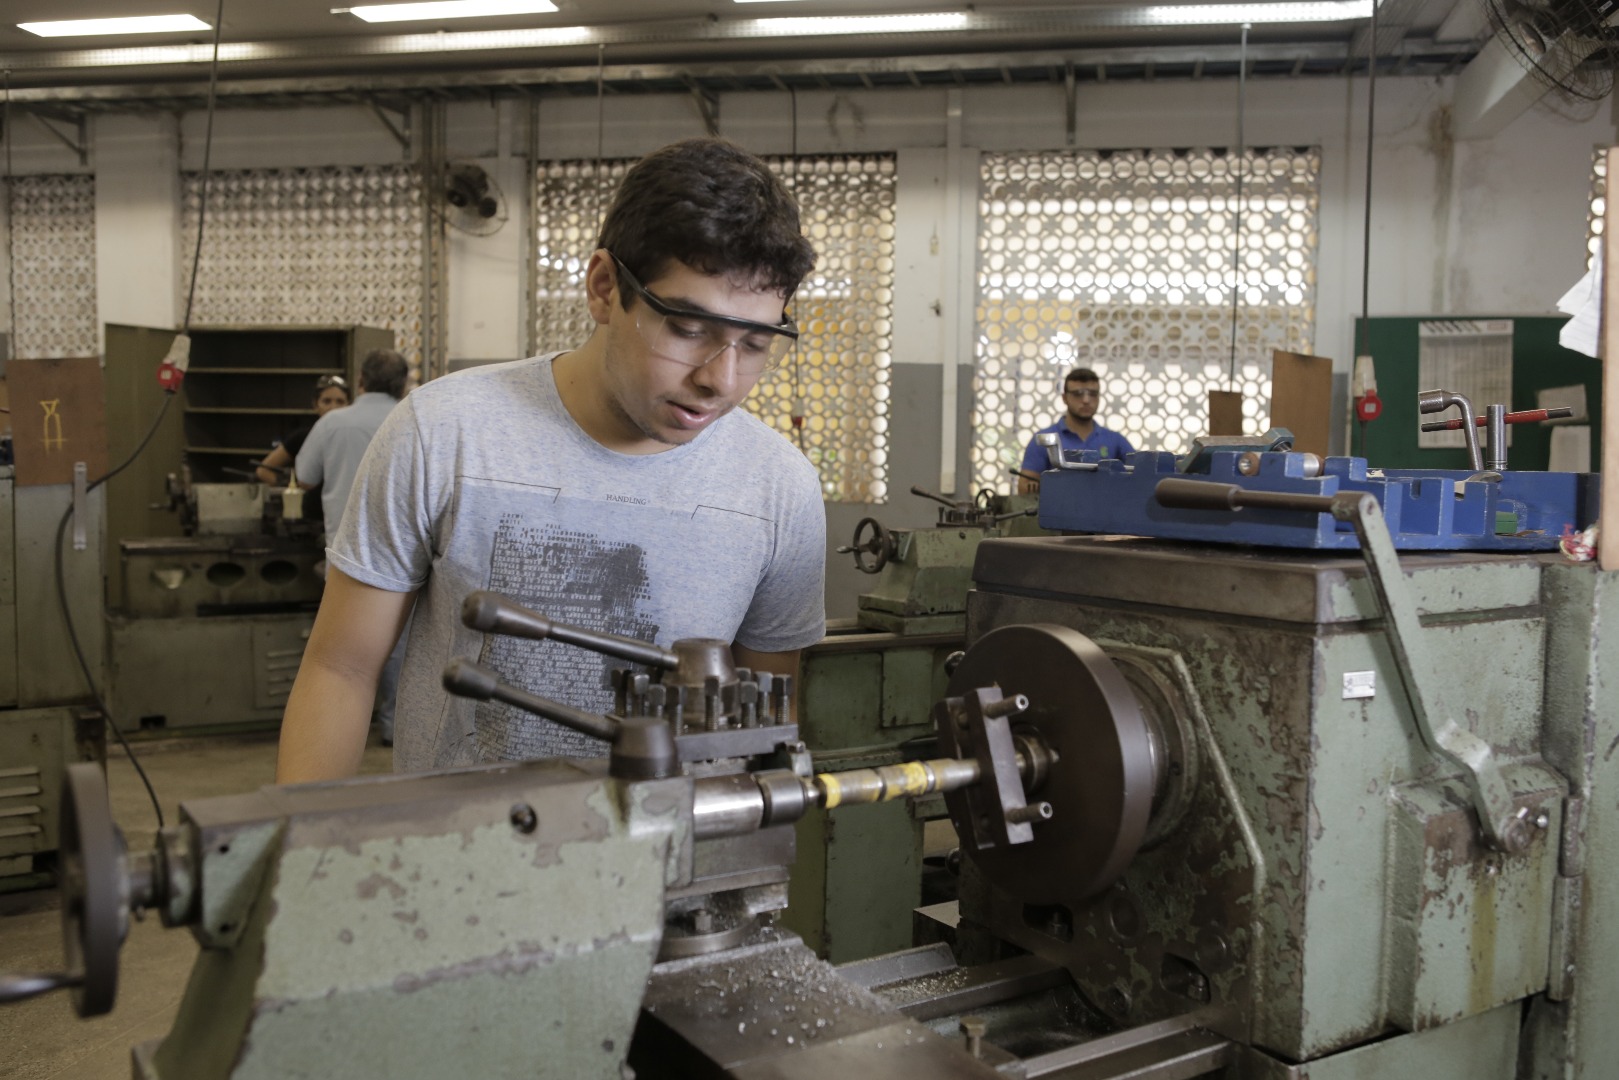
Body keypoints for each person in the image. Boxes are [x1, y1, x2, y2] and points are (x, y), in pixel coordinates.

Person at [276, 137, 826, 783]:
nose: (722, 379)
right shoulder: (445, 431)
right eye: (687, 329)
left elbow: (763, 723)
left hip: (672, 868)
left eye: (757, 342)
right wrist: (306, 853)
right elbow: (340, 670)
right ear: (602, 288)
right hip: (458, 858)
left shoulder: (778, 487)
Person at [293, 348, 411, 746]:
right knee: (404, 645)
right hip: (411, 551)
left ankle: (338, 735)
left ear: (360, 381)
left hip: (347, 552)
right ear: (403, 383)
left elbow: (304, 478)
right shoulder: (416, 416)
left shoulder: (332, 424)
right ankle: (395, 725)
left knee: (343, 657)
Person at [1017, 367, 1135, 493]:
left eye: (1093, 394)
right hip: (1056, 511)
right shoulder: (1045, 439)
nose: (1086, 400)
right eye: (1078, 394)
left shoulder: (1115, 440)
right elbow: (1026, 487)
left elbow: (1139, 475)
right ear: (1064, 398)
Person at [254, 373, 350, 487]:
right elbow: (263, 470)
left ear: (349, 405)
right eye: (326, 401)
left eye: (340, 402)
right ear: (315, 405)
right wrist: (292, 486)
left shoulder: (354, 438)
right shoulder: (302, 437)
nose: (333, 408)